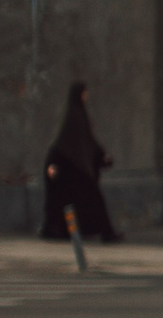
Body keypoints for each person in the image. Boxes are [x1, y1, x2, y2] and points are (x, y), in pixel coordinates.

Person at [41, 80, 123, 243]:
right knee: (88, 201)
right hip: (74, 170)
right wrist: (53, 163)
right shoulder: (73, 117)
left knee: (84, 202)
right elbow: (63, 143)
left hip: (77, 169)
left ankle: (104, 232)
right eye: (84, 93)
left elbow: (88, 142)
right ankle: (105, 233)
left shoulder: (80, 115)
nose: (86, 96)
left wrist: (101, 155)